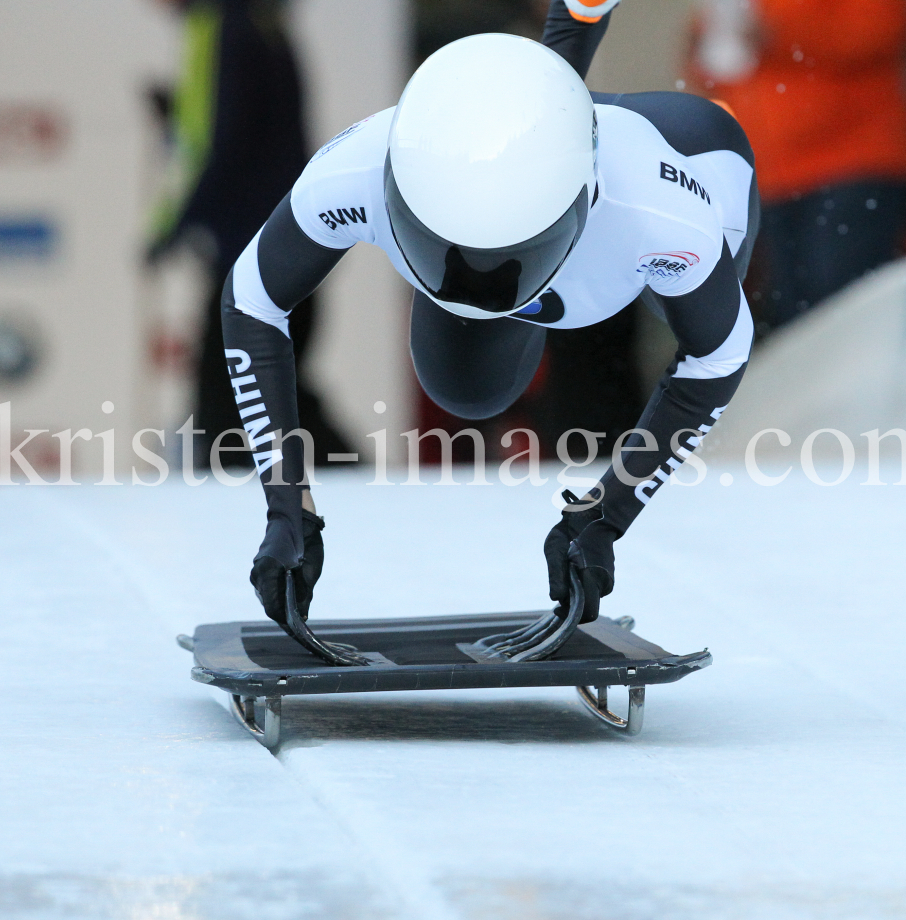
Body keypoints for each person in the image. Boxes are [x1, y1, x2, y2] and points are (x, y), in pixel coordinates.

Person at [221, 0, 759, 659]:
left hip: (693, 156)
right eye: (444, 250)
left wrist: (608, 512)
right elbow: (251, 302)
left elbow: (717, 355)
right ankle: (570, 37)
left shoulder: (663, 218)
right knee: (467, 389)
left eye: (503, 264)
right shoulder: (356, 168)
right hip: (578, 192)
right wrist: (287, 505)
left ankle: (571, 39)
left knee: (670, 325)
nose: (474, 282)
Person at [148, 0, 349, 468]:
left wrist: (171, 229)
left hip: (248, 251)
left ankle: (241, 520)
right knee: (276, 388)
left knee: (229, 402)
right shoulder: (265, 24)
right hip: (294, 237)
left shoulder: (217, 28)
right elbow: (249, 127)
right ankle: (367, 485)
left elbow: (214, 145)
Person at [687, 0, 906, 331]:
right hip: (774, 174)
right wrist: (706, 43)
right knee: (794, 313)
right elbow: (718, 67)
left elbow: (877, 31)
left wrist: (777, 34)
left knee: (842, 307)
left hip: (853, 160)